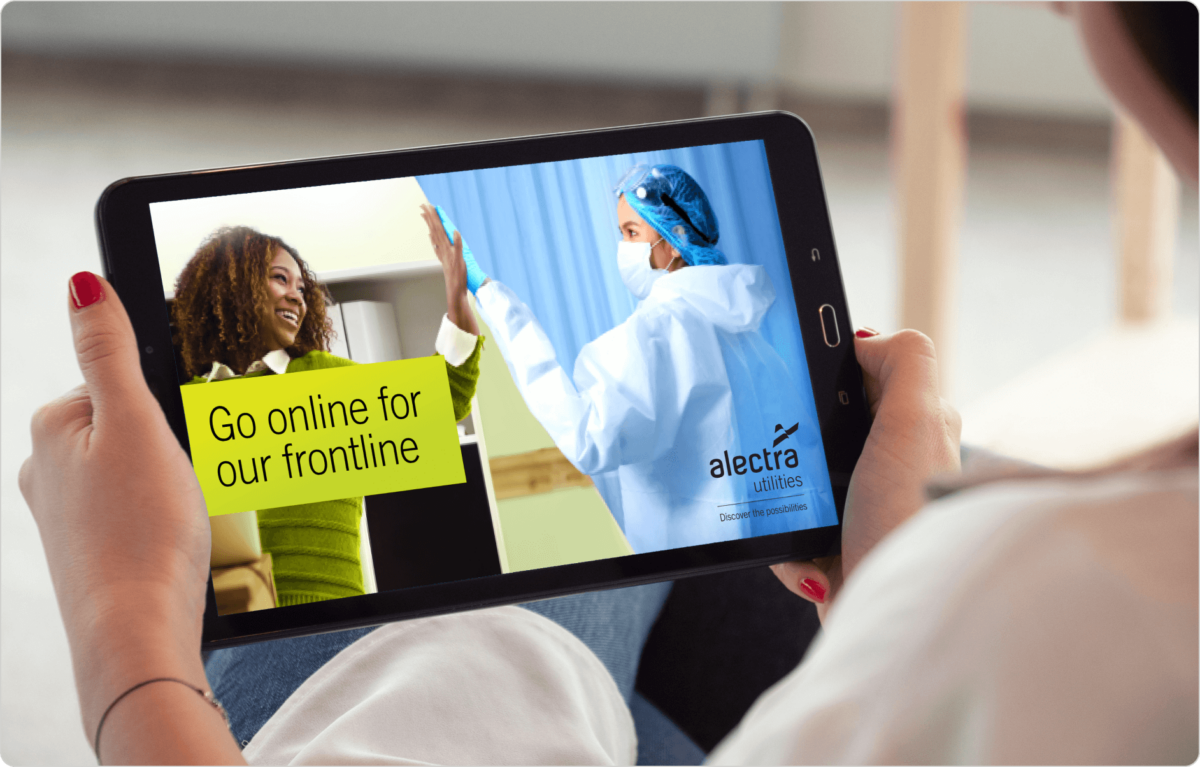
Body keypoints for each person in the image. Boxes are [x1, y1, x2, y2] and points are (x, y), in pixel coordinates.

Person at [18, 2, 1197, 764]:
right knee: (624, 592)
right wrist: (910, 564)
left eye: (296, 275)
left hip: (394, 630)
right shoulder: (1069, 567)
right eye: (267, 279)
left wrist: (123, 633)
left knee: (508, 598)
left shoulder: (1039, 599)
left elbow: (545, 421)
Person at [428, 165, 836, 555]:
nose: (622, 247)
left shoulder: (664, 328)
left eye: (631, 232)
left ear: (673, 241)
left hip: (699, 575)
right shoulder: (743, 334)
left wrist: (488, 295)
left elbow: (588, 438)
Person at [171, 216, 484, 607]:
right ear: (229, 288)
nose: (297, 296)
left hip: (334, 617)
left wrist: (457, 296)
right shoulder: (188, 405)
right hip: (235, 625)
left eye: (301, 287)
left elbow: (446, 397)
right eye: (280, 279)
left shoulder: (325, 380)